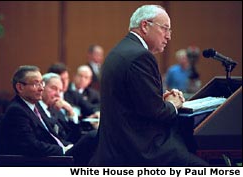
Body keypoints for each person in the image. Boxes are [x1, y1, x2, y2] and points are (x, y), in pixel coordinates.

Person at [89, 5, 208, 166]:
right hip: (138, 149)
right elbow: (156, 113)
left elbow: (137, 102)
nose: (168, 36)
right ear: (145, 26)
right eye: (165, 28)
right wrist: (173, 104)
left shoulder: (119, 50)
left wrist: (159, 99)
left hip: (117, 145)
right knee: (204, 167)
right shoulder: (140, 56)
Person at [0, 65, 97, 166]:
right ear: (20, 87)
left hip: (58, 153)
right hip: (46, 160)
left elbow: (54, 136)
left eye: (42, 83)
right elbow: (30, 145)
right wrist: (63, 150)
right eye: (36, 84)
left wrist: (69, 146)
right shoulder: (16, 110)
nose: (41, 88)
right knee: (93, 136)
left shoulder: (35, 106)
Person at [38, 72, 81, 143]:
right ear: (42, 88)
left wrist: (70, 111)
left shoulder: (56, 110)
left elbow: (74, 137)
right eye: (54, 88)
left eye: (60, 91)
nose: (58, 94)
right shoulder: (35, 109)